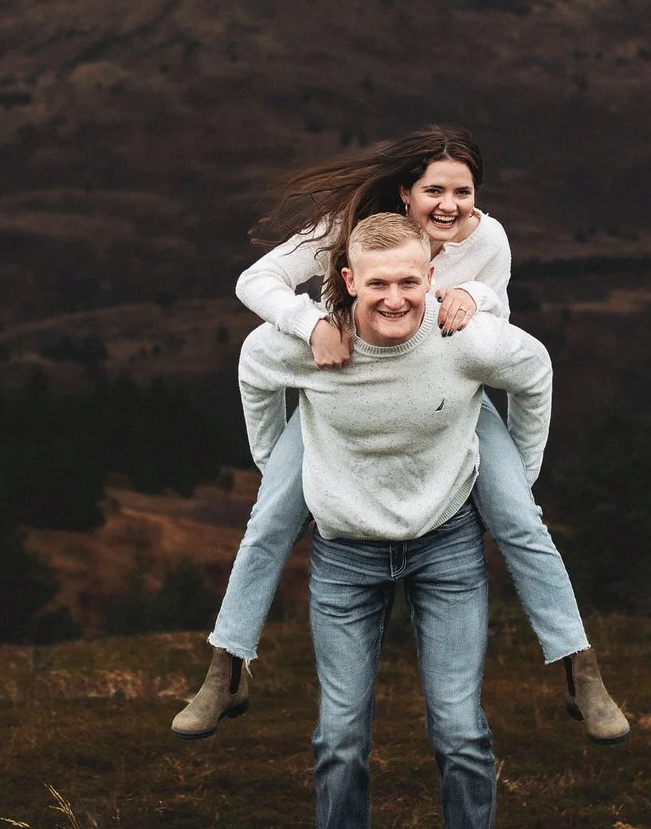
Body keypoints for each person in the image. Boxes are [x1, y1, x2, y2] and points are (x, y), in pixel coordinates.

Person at [171, 127, 627, 743]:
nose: (449, 205)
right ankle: (226, 670)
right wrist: (311, 325)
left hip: (444, 399)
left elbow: (497, 339)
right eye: (434, 189)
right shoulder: (355, 229)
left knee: (521, 517)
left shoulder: (488, 238)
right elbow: (255, 282)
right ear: (406, 193)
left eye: (463, 191)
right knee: (270, 517)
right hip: (342, 393)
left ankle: (579, 668)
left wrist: (474, 298)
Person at [238, 212, 550, 829]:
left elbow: (533, 372)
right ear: (347, 283)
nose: (395, 296)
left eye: (410, 281)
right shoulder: (311, 340)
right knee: (340, 738)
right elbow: (255, 373)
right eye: (378, 282)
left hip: (445, 550)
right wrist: (277, 466)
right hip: (346, 557)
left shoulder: (462, 338)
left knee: (461, 731)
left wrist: (518, 478)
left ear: (431, 279)